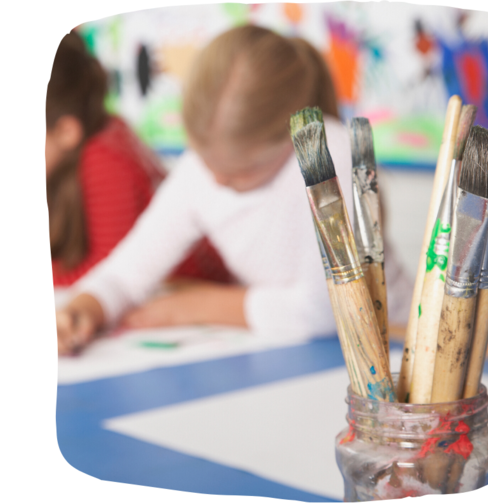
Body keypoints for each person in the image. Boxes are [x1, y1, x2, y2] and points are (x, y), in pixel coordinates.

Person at [55, 25, 411, 356]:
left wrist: (193, 307)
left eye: (240, 172)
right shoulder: (201, 170)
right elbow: (126, 271)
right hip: (303, 356)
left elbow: (324, 310)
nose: (217, 182)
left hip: (395, 343)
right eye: (207, 162)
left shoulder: (330, 151)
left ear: (292, 137)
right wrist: (85, 307)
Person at [47, 32, 231, 287]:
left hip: (194, 288)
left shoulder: (105, 157)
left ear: (66, 131)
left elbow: (110, 272)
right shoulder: (95, 140)